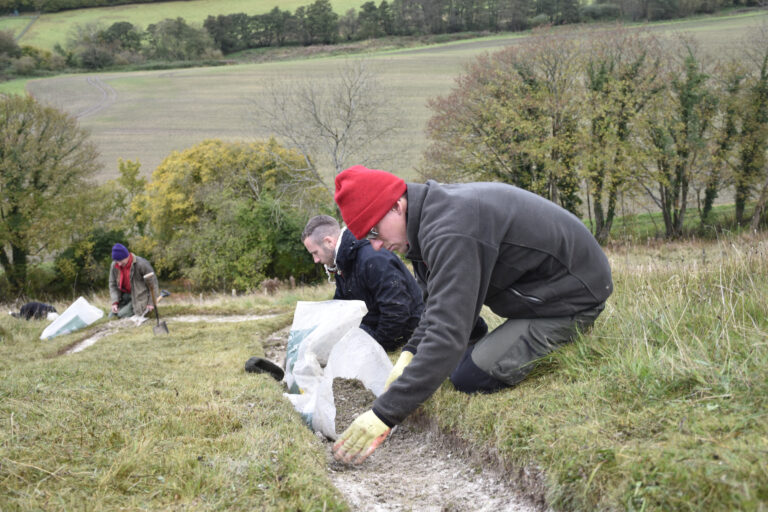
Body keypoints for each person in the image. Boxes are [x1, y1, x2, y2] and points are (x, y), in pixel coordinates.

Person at [331, 165, 613, 464]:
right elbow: (436, 305)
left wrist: (383, 414)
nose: (376, 245)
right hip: (538, 295)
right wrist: (410, 353)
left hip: (573, 297)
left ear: (397, 206)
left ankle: (568, 332)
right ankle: (478, 341)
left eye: (374, 231)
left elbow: (446, 335)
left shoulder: (450, 230)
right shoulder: (425, 219)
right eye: (366, 237)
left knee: (468, 376)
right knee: (447, 360)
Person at [302, 215, 424, 352]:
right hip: (375, 329)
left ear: (329, 242)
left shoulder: (372, 258)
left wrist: (376, 348)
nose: (315, 260)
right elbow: (341, 308)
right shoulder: (343, 263)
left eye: (315, 253)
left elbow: (397, 309)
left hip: (408, 334)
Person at [108, 243, 159, 319]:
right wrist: (115, 302)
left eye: (120, 260)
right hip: (124, 296)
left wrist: (151, 303)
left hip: (139, 296)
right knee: (111, 316)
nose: (119, 264)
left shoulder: (142, 264)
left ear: (127, 256)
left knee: (121, 314)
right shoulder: (115, 265)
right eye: (116, 261)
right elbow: (113, 284)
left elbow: (153, 285)